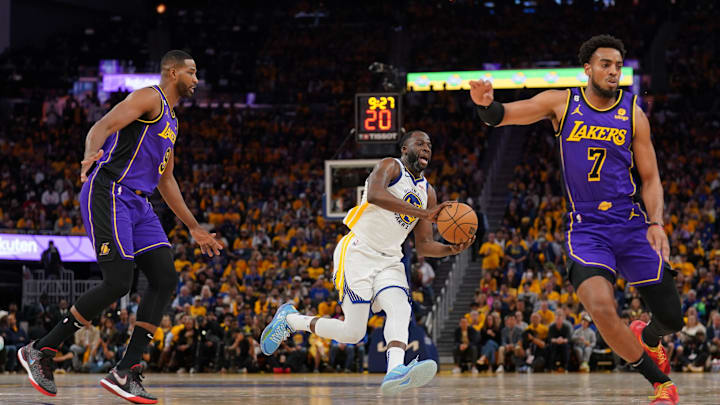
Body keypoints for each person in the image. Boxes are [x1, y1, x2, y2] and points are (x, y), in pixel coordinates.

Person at [470, 34, 682, 403]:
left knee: (672, 319)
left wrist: (657, 222)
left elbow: (650, 178)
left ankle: (648, 337)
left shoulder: (633, 113)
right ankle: (661, 383)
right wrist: (486, 106)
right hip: (587, 229)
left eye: (617, 65)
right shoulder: (562, 102)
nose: (613, 71)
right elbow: (505, 116)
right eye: (605, 64)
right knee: (600, 307)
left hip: (631, 224)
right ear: (588, 69)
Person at [18, 50, 222, 404]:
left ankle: (126, 369)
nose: (197, 79)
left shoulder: (173, 123)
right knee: (118, 281)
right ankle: (41, 349)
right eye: (192, 72)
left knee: (164, 277)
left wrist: (194, 227)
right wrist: (88, 156)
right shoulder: (149, 98)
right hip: (110, 189)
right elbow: (102, 126)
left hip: (140, 203)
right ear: (172, 72)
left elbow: (167, 181)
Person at [260, 130, 474, 395]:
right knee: (353, 333)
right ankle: (291, 321)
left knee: (400, 307)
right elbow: (374, 195)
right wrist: (424, 213)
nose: (426, 149)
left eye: (430, 145)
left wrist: (452, 249)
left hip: (390, 259)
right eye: (419, 143)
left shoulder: (428, 192)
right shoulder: (390, 165)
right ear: (404, 148)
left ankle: (395, 370)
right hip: (359, 251)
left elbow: (424, 246)